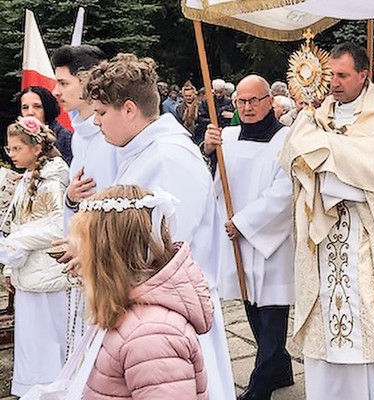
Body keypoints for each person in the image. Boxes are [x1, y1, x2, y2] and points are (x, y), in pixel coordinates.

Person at [279, 42, 374, 400]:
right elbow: (292, 158)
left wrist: (328, 155)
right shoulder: (315, 115)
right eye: (331, 75)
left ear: (364, 75)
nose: (334, 83)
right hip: (323, 244)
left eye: (343, 75)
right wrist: (327, 156)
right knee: (326, 327)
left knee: (373, 327)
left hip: (366, 241)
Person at [83, 53, 236, 400]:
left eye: (101, 113)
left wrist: (96, 255)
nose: (95, 122)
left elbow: (160, 249)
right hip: (148, 318)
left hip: (168, 323)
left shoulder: (169, 158)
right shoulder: (144, 151)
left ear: (129, 109)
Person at [68, 185, 213, 400]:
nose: (75, 254)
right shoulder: (127, 309)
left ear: (108, 255)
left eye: (84, 246)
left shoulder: (151, 336)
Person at [204, 74, 294, 400]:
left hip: (270, 240)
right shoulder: (227, 136)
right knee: (251, 307)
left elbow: (286, 192)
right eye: (241, 101)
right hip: (236, 239)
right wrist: (209, 151)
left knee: (271, 313)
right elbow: (212, 182)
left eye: (254, 100)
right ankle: (281, 368)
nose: (248, 107)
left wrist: (243, 223)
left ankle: (260, 389)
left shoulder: (286, 139)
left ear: (270, 101)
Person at [51, 44, 118, 354]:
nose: (55, 90)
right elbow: (80, 192)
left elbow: (121, 202)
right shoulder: (80, 135)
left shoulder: (114, 135)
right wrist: (70, 198)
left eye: (63, 83)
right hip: (86, 258)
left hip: (111, 262)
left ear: (88, 80)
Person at [0, 117, 69, 396]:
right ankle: (33, 389)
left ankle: (53, 389)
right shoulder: (27, 179)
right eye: (9, 150)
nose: (12, 155)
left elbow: (56, 227)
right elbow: (16, 221)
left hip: (48, 274)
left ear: (37, 149)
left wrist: (15, 242)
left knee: (49, 340)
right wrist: (9, 268)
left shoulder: (52, 183)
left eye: (17, 149)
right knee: (31, 341)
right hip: (28, 273)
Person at [19, 86, 73, 164]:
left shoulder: (64, 137)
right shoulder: (19, 136)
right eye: (25, 107)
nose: (30, 112)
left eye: (37, 106)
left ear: (47, 108)